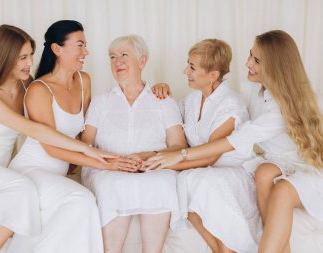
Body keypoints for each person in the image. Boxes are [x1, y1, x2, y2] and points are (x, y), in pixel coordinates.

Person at [145, 30, 323, 253]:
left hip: (305, 170)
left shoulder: (278, 112)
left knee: (282, 191)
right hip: (277, 164)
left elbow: (233, 141)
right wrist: (163, 90)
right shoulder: (253, 91)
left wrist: (180, 155)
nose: (247, 62)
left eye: (256, 60)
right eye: (250, 55)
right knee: (264, 173)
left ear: (275, 67)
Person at [0, 24, 113, 253]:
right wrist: (88, 151)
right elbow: (35, 130)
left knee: (16, 210)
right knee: (21, 188)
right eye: (22, 58)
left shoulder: (27, 85)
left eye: (30, 56)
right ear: (4, 58)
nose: (29, 63)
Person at [7, 20, 121, 253]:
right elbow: (52, 149)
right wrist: (105, 163)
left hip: (59, 172)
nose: (85, 52)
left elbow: (85, 133)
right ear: (57, 49)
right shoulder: (39, 90)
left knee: (80, 205)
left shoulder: (83, 80)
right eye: (79, 45)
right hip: (32, 170)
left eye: (85, 45)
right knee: (82, 200)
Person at [80, 35, 187, 253]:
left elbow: (178, 146)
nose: (117, 61)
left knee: (162, 184)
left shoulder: (163, 99)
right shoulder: (101, 102)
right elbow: (86, 145)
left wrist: (146, 156)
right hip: (107, 170)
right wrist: (115, 162)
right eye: (112, 56)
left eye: (124, 55)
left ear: (143, 61)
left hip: (153, 169)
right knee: (112, 185)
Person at [159, 38, 260, 253]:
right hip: (202, 173)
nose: (186, 71)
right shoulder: (192, 100)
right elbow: (173, 127)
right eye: (188, 64)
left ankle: (228, 248)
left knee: (198, 180)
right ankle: (222, 250)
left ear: (213, 75)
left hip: (231, 175)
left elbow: (210, 157)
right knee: (185, 182)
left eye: (192, 67)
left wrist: (164, 163)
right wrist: (163, 91)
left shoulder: (231, 106)